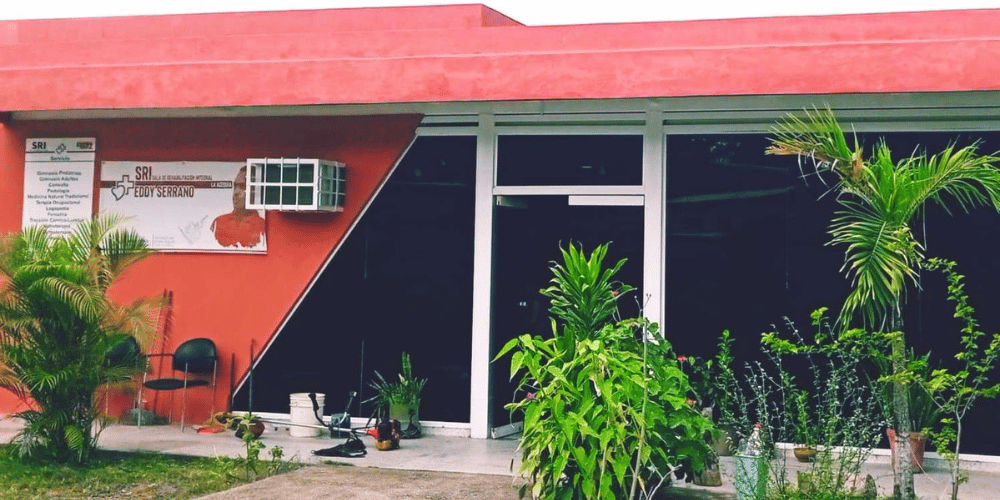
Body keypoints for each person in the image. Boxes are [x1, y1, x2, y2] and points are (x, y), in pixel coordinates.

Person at [211, 166, 265, 248]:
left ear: (254, 191)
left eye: (242, 187)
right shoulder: (219, 223)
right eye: (235, 186)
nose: (236, 192)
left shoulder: (262, 226)